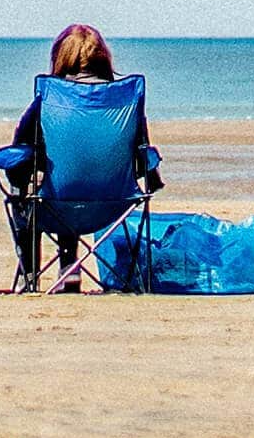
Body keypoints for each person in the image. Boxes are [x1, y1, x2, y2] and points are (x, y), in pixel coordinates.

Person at [9, 24, 153, 292]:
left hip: (57, 205)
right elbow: (143, 154)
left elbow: (19, 148)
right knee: (69, 179)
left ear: (60, 57)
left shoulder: (50, 98)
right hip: (115, 205)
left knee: (33, 190)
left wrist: (15, 177)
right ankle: (69, 270)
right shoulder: (124, 100)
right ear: (103, 57)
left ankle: (30, 277)